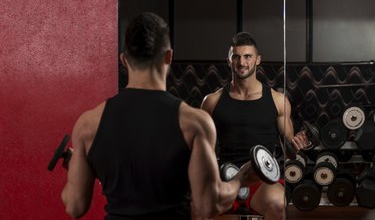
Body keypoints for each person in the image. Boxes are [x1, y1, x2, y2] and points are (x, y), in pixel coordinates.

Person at [61, 13, 261, 220]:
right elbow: (207, 205)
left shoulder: (88, 124)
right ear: (169, 57)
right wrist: (241, 179)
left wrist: (80, 166)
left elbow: (75, 206)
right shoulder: (194, 123)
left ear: (123, 60)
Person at [201, 32, 310, 220]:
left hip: (262, 180)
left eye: (247, 56)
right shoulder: (212, 101)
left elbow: (289, 145)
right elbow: (203, 149)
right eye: (236, 56)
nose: (241, 62)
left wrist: (297, 144)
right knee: (197, 207)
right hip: (226, 177)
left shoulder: (278, 101)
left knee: (277, 204)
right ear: (229, 60)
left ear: (258, 60)